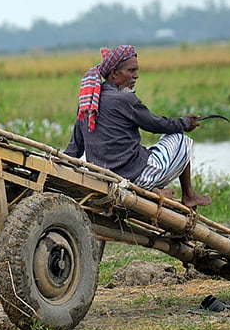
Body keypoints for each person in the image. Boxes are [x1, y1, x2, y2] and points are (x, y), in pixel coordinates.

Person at [64, 45, 212, 209]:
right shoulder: (124, 99)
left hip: (103, 178)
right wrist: (184, 123)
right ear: (114, 73)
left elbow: (74, 148)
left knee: (152, 147)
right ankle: (188, 195)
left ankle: (158, 191)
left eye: (136, 71)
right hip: (134, 177)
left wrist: (60, 165)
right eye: (131, 71)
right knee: (180, 139)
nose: (136, 76)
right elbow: (156, 124)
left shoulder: (87, 103)